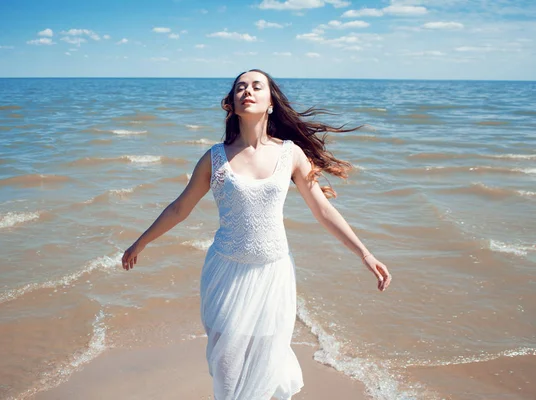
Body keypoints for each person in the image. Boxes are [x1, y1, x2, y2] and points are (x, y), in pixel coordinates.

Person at [122, 69, 392, 400]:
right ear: (232, 105)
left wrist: (365, 253)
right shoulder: (214, 158)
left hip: (273, 274)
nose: (247, 91)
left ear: (270, 103)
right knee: (227, 370)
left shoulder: (290, 154)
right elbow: (180, 208)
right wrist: (141, 242)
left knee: (267, 365)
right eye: (240, 88)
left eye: (256, 86)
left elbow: (323, 210)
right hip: (225, 274)